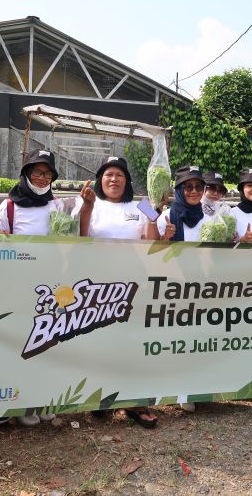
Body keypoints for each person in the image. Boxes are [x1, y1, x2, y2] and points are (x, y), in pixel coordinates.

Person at [78, 156, 160, 428]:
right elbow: (78, 239)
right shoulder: (89, 202)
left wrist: (154, 209)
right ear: (101, 179)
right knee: (99, 342)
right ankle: (99, 397)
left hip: (133, 285)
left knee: (131, 343)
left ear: (127, 180)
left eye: (120, 175)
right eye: (108, 174)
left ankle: (134, 401)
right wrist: (87, 208)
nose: (114, 180)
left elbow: (152, 243)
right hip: (97, 286)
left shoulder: (141, 204)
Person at [0, 148, 59, 426]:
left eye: (47, 174)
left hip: (52, 286)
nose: (42, 178)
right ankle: (22, 403)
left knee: (50, 342)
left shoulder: (56, 206)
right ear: (26, 173)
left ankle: (44, 397)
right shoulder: (8, 205)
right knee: (23, 343)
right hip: (19, 287)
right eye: (37, 172)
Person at [157, 165, 209, 242]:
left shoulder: (208, 219)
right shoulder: (166, 218)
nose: (194, 191)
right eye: (188, 187)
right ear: (179, 190)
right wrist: (166, 238)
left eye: (198, 187)